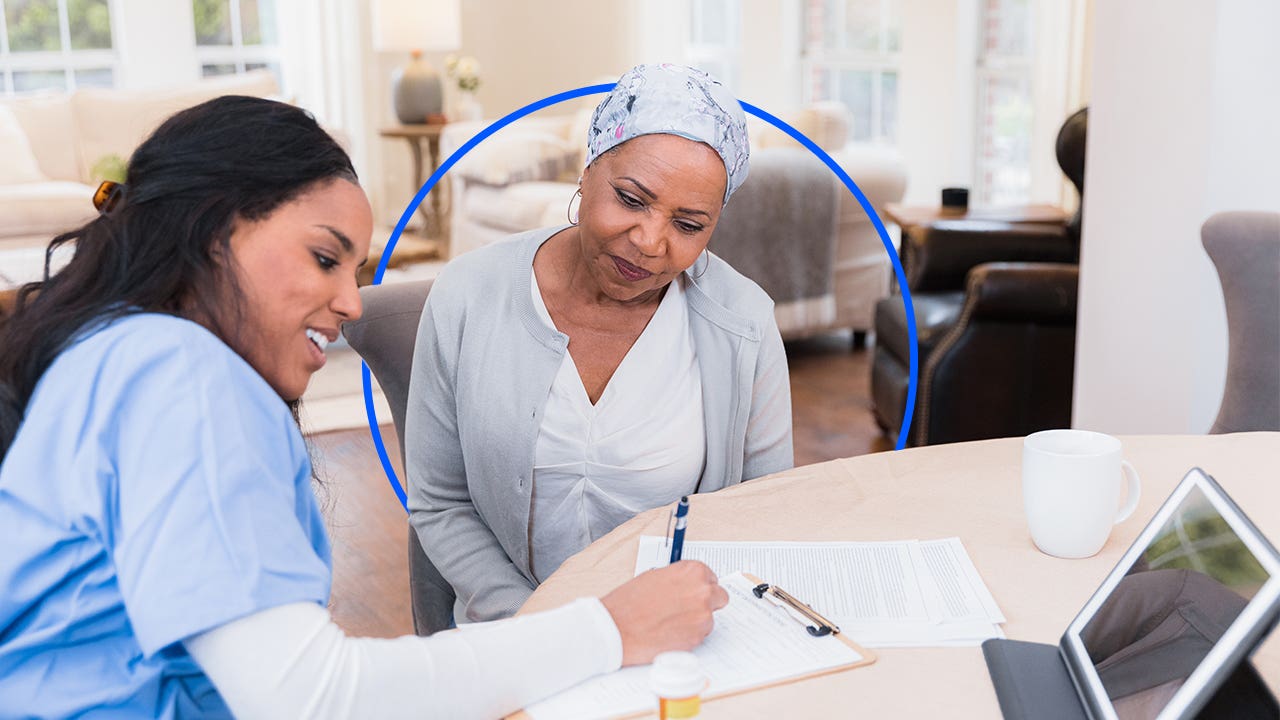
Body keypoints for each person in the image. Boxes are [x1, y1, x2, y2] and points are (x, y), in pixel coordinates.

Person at [0, 95, 728, 719]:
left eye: (356, 271)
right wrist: (608, 628)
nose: (351, 304)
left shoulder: (114, 353)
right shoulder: (180, 374)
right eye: (325, 257)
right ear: (212, 231)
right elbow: (308, 696)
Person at [407, 63, 794, 624]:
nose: (649, 241)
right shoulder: (466, 295)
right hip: (516, 635)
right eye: (632, 199)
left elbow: (763, 510)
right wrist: (542, 625)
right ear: (586, 172)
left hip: (682, 639)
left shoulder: (745, 322)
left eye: (688, 224)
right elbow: (441, 502)